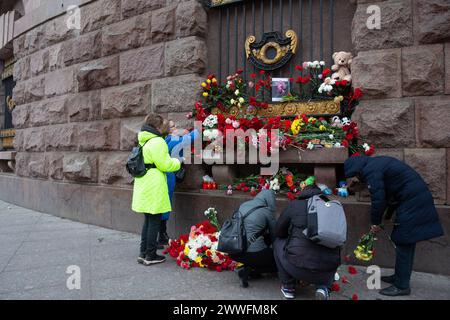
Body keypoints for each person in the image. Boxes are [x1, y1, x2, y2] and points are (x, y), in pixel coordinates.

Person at [344, 155, 444, 297]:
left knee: (403, 241)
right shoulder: (374, 164)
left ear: (357, 170)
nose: (355, 179)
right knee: (405, 241)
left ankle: (402, 286)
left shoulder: (371, 170)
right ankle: (399, 277)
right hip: (413, 199)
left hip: (413, 201)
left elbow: (378, 199)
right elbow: (390, 194)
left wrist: (375, 222)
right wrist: (386, 217)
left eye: (354, 175)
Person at [274, 183, 341, 300]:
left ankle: (288, 287)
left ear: (303, 193)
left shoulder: (295, 205)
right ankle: (323, 287)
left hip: (297, 267)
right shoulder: (333, 208)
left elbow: (279, 231)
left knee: (278, 242)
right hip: (328, 270)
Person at [132, 114, 181, 266]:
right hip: (154, 184)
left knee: (148, 220)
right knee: (154, 220)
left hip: (144, 183)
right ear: (158, 127)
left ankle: (143, 252)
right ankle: (151, 255)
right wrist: (177, 162)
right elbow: (165, 165)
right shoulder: (157, 141)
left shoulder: (143, 139)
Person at [157, 121, 200, 247]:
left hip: (163, 176)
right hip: (168, 176)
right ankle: (161, 235)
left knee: (161, 205)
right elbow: (192, 137)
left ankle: (162, 235)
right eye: (173, 126)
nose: (176, 127)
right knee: (164, 206)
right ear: (169, 130)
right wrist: (205, 126)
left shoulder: (166, 139)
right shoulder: (174, 140)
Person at [229, 189, 278, 288]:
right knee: (277, 260)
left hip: (234, 250)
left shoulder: (243, 205)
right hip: (254, 254)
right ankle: (250, 270)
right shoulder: (267, 211)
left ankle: (248, 269)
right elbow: (275, 235)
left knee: (259, 247)